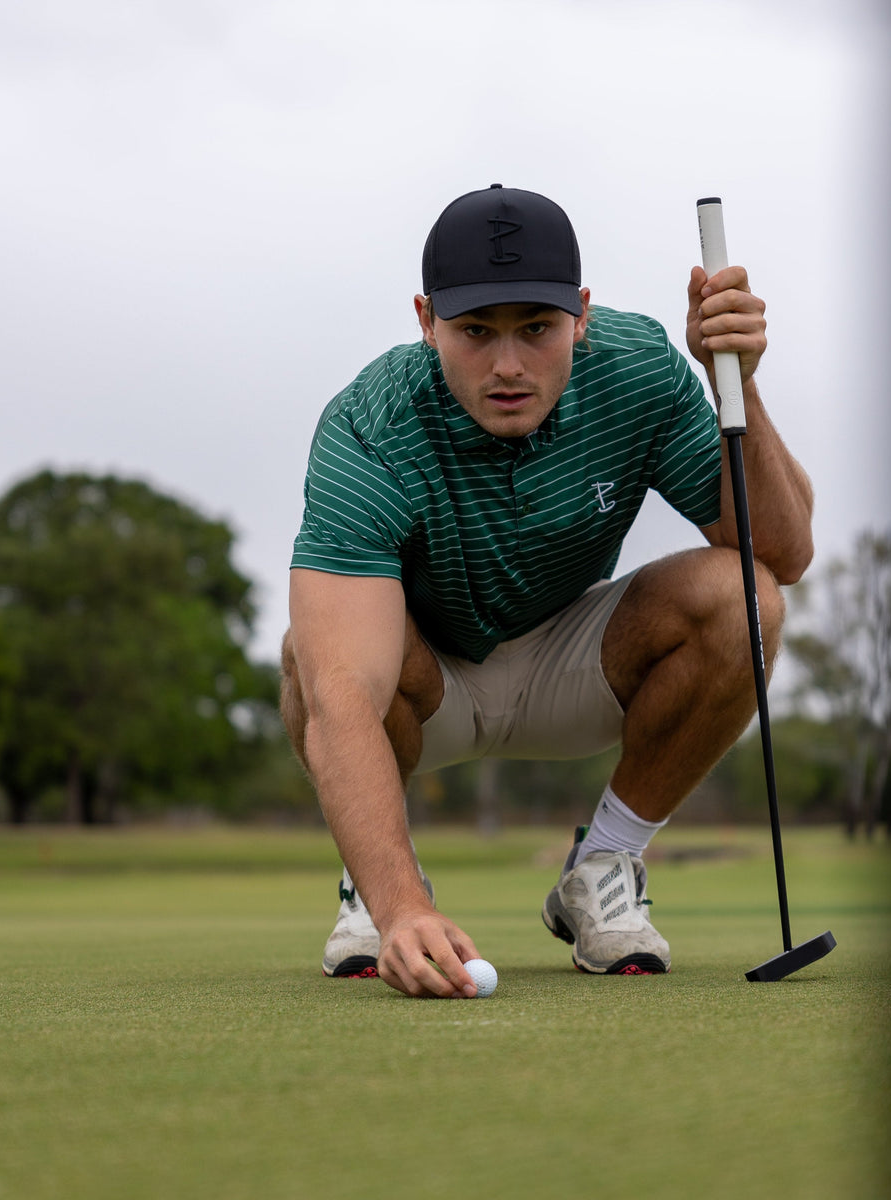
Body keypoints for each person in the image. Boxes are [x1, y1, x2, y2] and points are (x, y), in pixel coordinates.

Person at [280, 184, 813, 998]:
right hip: (428, 684)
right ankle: (380, 881)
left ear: (582, 316)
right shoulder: (367, 426)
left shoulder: (637, 372)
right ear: (426, 321)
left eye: (536, 328)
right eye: (473, 332)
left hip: (575, 661)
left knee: (745, 598)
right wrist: (401, 909)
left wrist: (733, 383)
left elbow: (781, 552)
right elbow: (347, 691)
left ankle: (605, 862)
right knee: (312, 657)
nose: (507, 365)